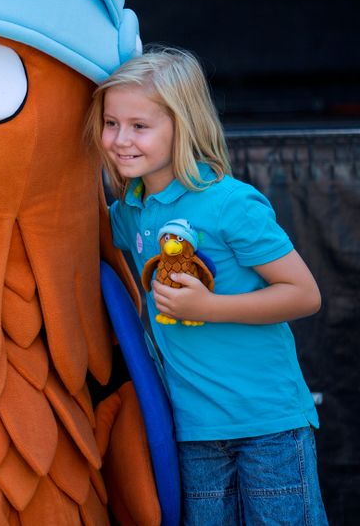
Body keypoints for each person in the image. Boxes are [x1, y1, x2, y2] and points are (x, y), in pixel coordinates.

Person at [86, 46, 328, 525]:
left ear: (183, 125)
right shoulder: (131, 211)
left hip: (267, 424)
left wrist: (208, 307)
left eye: (139, 126)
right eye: (111, 123)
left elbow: (305, 294)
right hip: (193, 430)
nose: (120, 139)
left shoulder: (229, 203)